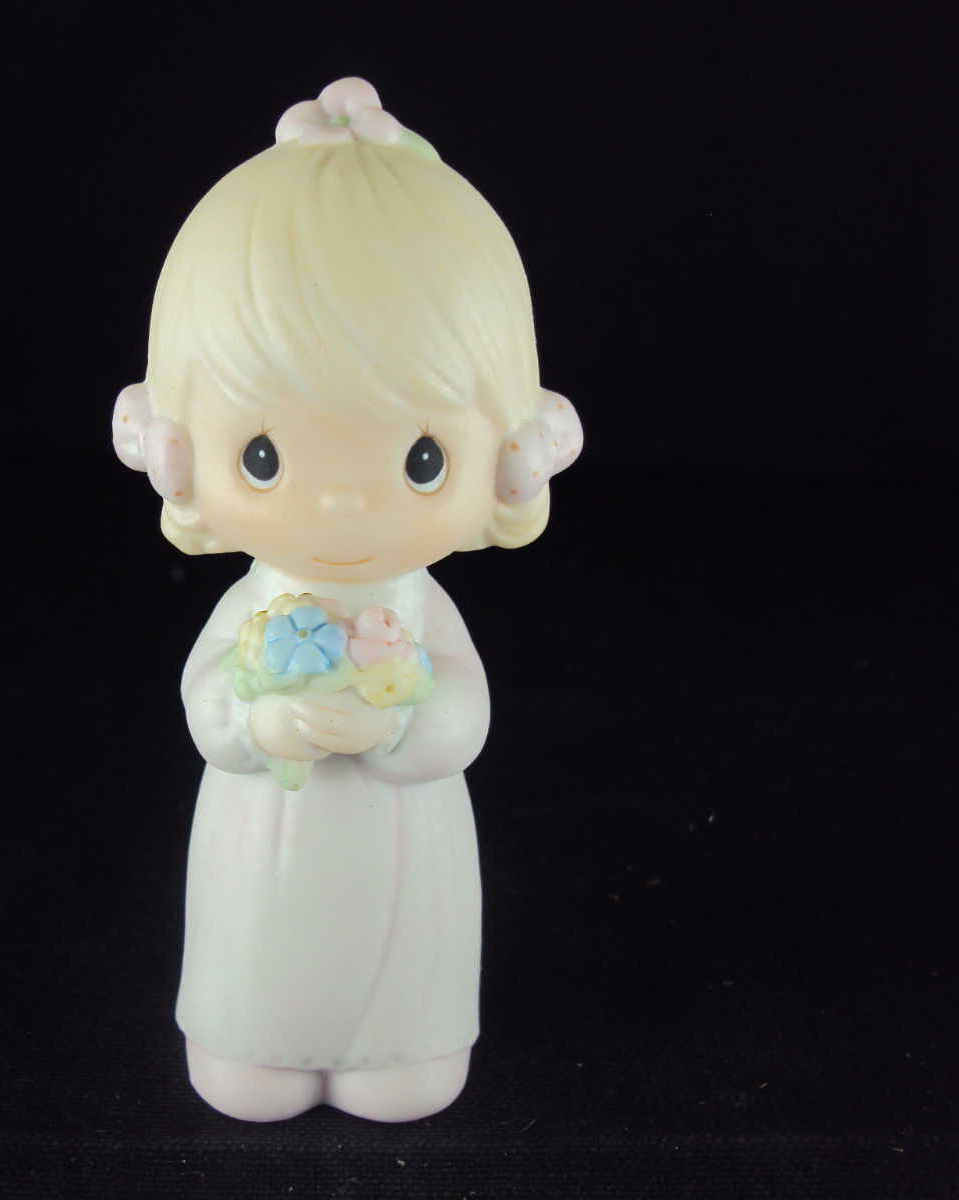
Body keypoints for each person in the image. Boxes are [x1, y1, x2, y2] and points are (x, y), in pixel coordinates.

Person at [112, 78, 581, 1122]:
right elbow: (204, 703)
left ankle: (396, 1046)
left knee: (406, 1038)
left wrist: (401, 724)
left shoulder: (419, 606)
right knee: (250, 1025)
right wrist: (257, 723)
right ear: (176, 447)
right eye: (263, 455)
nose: (340, 504)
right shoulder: (253, 598)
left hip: (401, 852)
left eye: (422, 458)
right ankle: (251, 1036)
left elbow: (464, 713)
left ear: (509, 453)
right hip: (263, 848)